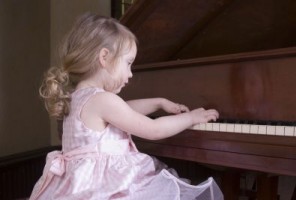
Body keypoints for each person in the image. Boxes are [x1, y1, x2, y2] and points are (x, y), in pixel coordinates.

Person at [30, 13, 223, 200]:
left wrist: (159, 102)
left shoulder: (77, 98)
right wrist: (191, 118)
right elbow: (153, 129)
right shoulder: (103, 100)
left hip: (80, 189)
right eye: (128, 63)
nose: (130, 74)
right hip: (107, 189)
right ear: (104, 57)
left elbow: (125, 109)